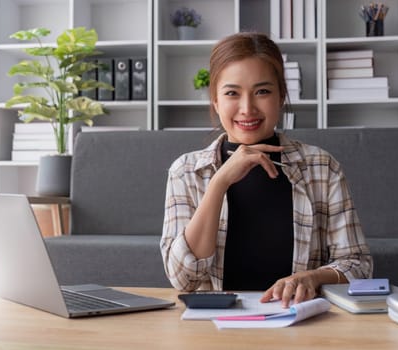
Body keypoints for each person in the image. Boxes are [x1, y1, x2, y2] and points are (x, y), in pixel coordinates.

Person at [160, 32, 373, 307]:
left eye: (262, 91)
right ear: (215, 100)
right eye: (232, 93)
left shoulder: (321, 167)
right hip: (212, 327)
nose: (247, 108)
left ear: (281, 96)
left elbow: (359, 265)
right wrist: (219, 182)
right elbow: (183, 279)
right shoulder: (185, 171)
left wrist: (312, 277)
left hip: (299, 323)